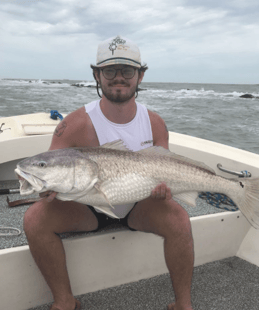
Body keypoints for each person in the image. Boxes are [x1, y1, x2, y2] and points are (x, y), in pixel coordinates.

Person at [24, 35, 194, 310]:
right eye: (109, 70)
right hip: (87, 207)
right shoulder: (75, 124)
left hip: (140, 204)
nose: (119, 78)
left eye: (127, 70)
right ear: (96, 75)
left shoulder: (155, 123)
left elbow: (165, 169)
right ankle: (65, 301)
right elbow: (50, 169)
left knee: (179, 219)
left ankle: (183, 305)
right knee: (35, 219)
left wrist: (165, 189)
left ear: (140, 76)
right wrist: (47, 187)